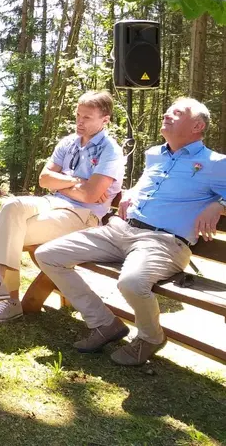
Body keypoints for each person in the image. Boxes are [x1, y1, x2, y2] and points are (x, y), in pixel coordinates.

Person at [36, 98, 226, 365]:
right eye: (168, 110)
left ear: (197, 126)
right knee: (48, 254)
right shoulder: (155, 154)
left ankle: (150, 337)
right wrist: (132, 192)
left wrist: (219, 204)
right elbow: (148, 184)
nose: (167, 114)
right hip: (121, 230)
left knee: (132, 283)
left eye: (177, 112)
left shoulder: (216, 163)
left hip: (164, 242)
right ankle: (104, 323)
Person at [0, 91, 124, 323]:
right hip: (54, 204)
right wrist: (77, 182)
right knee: (11, 206)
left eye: (87, 117)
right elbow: (44, 179)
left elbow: (90, 195)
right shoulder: (68, 143)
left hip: (84, 217)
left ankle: (9, 301)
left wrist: (61, 183)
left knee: (3, 230)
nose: (79, 121)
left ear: (105, 120)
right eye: (78, 115)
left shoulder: (110, 150)